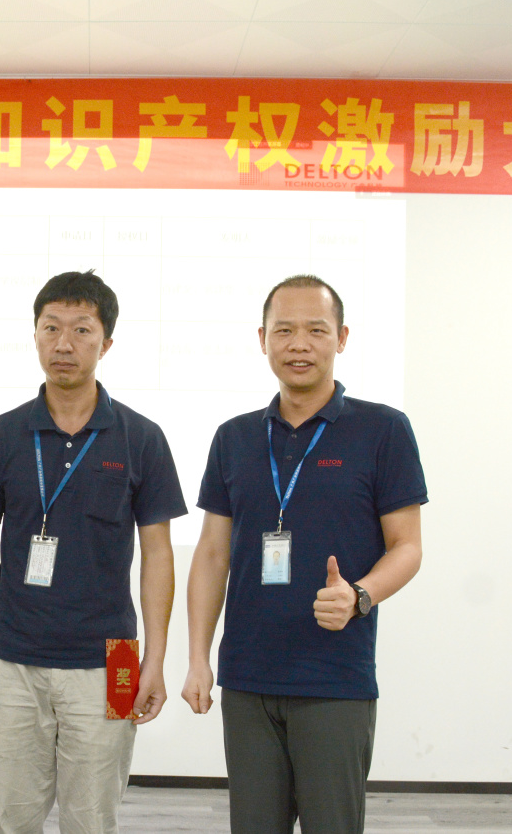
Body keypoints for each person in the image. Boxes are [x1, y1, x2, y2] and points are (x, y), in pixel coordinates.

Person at [182, 274, 427, 834]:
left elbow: (408, 546)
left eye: (315, 330)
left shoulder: (383, 429)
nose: (299, 345)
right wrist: (199, 657)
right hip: (247, 678)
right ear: (262, 339)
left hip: (334, 678)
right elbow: (213, 555)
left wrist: (360, 595)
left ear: (341, 338)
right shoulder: (234, 437)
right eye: (284, 331)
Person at [0, 270, 186, 834]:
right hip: (9, 656)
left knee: (92, 820)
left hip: (109, 657)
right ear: (35, 335)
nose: (64, 343)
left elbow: (158, 555)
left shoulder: (142, 437)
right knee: (12, 819)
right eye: (51, 328)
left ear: (106, 343)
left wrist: (155, 659)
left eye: (82, 330)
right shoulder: (1, 435)